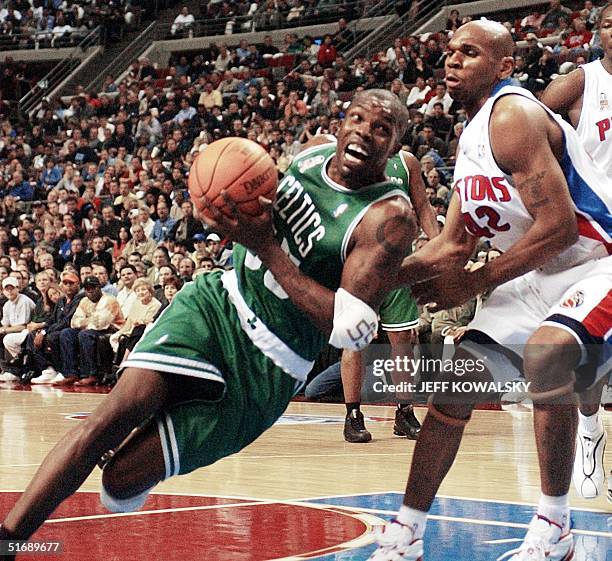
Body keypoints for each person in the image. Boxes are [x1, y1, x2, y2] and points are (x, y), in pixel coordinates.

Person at [0, 89, 418, 554]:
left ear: (396, 146)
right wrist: (220, 207)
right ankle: (9, 541)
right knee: (109, 417)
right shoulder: (308, 155)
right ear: (342, 123)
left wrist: (266, 248)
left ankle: (132, 468)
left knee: (118, 482)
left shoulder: (389, 218)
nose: (364, 131)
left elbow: (350, 329)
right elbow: (249, 214)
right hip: (216, 304)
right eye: (357, 118)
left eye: (382, 129)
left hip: (268, 367)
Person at [367, 20, 611, 561]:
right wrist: (370, 281)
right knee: (452, 384)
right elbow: (451, 245)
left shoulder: (513, 114)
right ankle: (405, 533)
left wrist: (477, 281)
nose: (451, 60)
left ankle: (555, 528)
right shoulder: (473, 136)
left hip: (600, 262)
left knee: (548, 356)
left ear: (503, 66)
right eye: (449, 51)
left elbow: (561, 228)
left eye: (469, 52)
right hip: (539, 274)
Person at [539, 3, 612, 504]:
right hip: (592, 231)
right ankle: (589, 432)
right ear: (597, 32)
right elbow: (528, 139)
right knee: (587, 354)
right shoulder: (577, 85)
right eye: (608, 21)